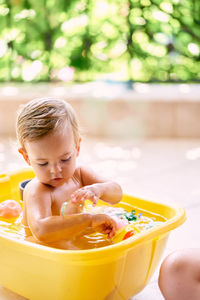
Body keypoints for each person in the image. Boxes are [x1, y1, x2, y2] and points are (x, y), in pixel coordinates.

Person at [16, 97, 122, 249]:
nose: (56, 170)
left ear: (77, 147)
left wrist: (99, 189)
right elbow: (41, 230)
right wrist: (89, 220)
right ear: (27, 157)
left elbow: (117, 194)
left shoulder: (80, 175)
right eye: (43, 163)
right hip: (40, 248)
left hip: (71, 236)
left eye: (65, 159)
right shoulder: (38, 190)